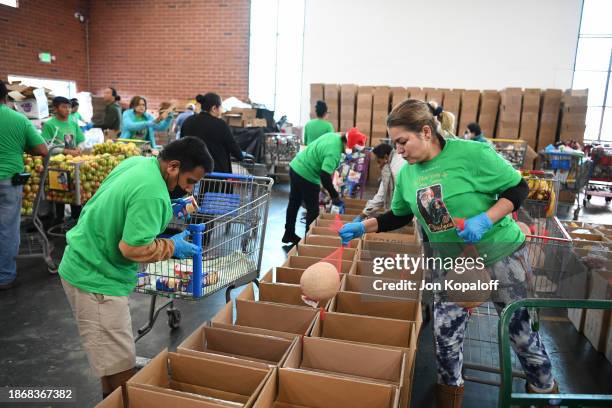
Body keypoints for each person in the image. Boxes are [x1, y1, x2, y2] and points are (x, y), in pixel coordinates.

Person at [338, 99, 557, 407]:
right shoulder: (408, 174)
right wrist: (364, 226)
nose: (398, 150)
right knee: (446, 338)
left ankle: (546, 392)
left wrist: (486, 219)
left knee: (521, 334)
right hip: (450, 267)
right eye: (395, 144)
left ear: (426, 132)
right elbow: (399, 215)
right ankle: (450, 396)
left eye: (403, 142)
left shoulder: (472, 155)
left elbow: (517, 188)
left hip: (501, 256)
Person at [58, 136, 213, 401]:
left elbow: (124, 205)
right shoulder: (152, 193)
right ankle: (124, 402)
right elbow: (131, 249)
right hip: (96, 278)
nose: (189, 191)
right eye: (190, 182)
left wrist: (167, 206)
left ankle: (111, 400)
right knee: (120, 361)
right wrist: (170, 248)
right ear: (173, 167)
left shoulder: (139, 164)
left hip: (83, 258)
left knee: (110, 356)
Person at [0, 79, 48, 290]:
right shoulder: (17, 118)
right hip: (7, 180)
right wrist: (23, 149)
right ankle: (4, 276)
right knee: (7, 228)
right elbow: (42, 149)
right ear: (5, 97)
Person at [283, 128, 366, 245]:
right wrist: (334, 195)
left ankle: (289, 233)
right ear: (349, 146)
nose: (352, 152)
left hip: (296, 166)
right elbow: (325, 176)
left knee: (294, 202)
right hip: (307, 175)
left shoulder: (333, 136)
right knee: (313, 209)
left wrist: (324, 188)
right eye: (352, 150)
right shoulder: (335, 153)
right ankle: (309, 241)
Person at [42, 96, 87, 224]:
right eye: (63, 107)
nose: (67, 110)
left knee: (75, 192)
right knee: (59, 193)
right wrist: (65, 151)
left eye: (69, 107)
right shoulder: (49, 124)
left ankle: (75, 219)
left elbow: (82, 140)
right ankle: (58, 219)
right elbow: (47, 147)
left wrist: (79, 148)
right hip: (57, 166)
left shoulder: (73, 122)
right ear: (55, 109)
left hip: (73, 165)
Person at [180, 93, 244, 173]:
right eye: (221, 107)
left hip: (190, 172)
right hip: (215, 176)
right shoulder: (220, 125)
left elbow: (182, 144)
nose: (222, 110)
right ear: (214, 108)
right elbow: (234, 148)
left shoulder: (188, 121)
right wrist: (241, 157)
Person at [353, 143, 404, 221]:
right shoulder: (396, 160)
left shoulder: (394, 169)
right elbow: (381, 194)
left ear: (386, 157)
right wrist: (364, 213)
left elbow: (381, 196)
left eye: (379, 162)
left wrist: (363, 215)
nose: (378, 166)